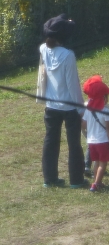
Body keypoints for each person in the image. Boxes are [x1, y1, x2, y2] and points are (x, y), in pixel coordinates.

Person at [38, 14, 87, 188]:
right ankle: (76, 180)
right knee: (74, 143)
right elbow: (72, 85)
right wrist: (81, 108)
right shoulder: (68, 55)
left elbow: (43, 73)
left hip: (51, 105)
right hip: (69, 106)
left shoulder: (43, 49)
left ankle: (49, 178)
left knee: (50, 141)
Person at [81, 76, 109, 192]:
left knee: (96, 162)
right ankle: (96, 183)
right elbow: (108, 128)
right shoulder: (106, 110)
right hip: (103, 140)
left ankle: (96, 181)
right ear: (104, 97)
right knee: (103, 163)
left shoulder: (88, 109)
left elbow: (83, 125)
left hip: (91, 141)